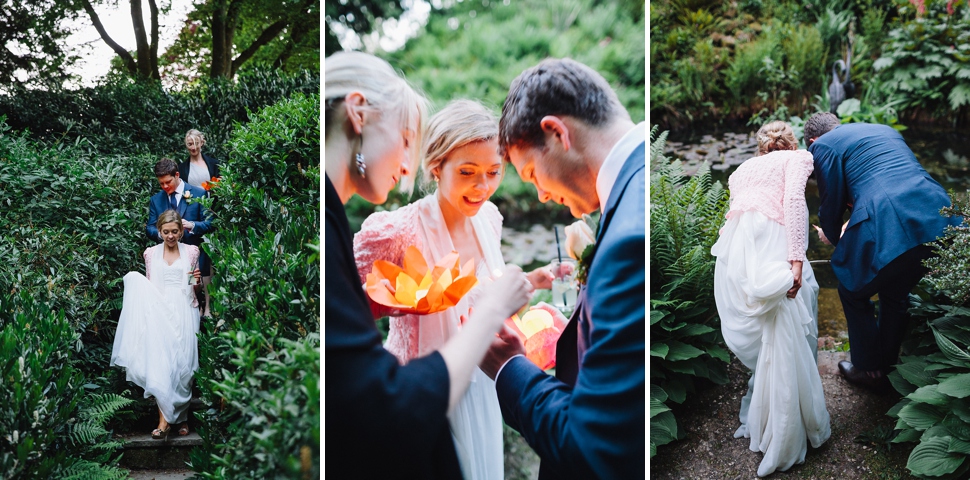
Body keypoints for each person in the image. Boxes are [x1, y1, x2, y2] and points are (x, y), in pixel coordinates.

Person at [324, 51, 532, 479]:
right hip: (415, 390)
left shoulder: (490, 220)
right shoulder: (390, 231)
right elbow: (349, 314)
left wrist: (532, 284)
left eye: (494, 172)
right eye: (468, 172)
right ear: (437, 168)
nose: (483, 186)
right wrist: (403, 301)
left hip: (482, 381)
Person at [480, 58, 646, 479]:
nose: (540, 195)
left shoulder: (627, 239)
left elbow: (594, 447)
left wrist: (507, 366)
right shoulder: (634, 186)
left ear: (557, 133)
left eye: (532, 173)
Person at [804, 112, 961, 390]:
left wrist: (831, 234)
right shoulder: (881, 130)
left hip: (891, 215)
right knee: (895, 291)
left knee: (851, 288)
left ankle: (867, 369)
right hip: (937, 213)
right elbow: (879, 180)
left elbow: (831, 203)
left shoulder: (823, 146)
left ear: (813, 141)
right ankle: (886, 367)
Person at [711, 121, 831, 477]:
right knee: (791, 313)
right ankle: (788, 425)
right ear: (791, 143)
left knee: (770, 327)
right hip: (773, 239)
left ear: (761, 146)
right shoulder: (799, 158)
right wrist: (796, 259)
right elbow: (794, 201)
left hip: (738, 251)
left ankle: (771, 415)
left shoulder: (740, 171)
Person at [112, 210, 202, 438]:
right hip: (159, 311)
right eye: (166, 232)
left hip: (185, 310)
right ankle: (163, 422)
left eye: (175, 231)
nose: (170, 236)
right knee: (162, 364)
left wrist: (197, 281)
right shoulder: (150, 254)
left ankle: (181, 418)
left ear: (181, 232)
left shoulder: (192, 251)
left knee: (184, 366)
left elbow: (195, 286)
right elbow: (150, 285)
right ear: (159, 232)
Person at [146, 157, 213, 318]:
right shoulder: (156, 200)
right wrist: (163, 235)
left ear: (177, 175)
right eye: (161, 184)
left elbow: (210, 224)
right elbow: (149, 227)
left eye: (168, 182)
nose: (165, 186)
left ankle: (203, 310)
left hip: (193, 253)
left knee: (194, 285)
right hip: (168, 256)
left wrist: (193, 225)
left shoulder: (199, 193)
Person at [178, 129, 220, 317]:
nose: (193, 147)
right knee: (192, 260)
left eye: (196, 143)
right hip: (191, 215)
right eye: (190, 144)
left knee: (208, 260)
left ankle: (209, 306)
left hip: (209, 214)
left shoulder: (214, 164)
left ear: (202, 142)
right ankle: (197, 303)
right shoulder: (183, 168)